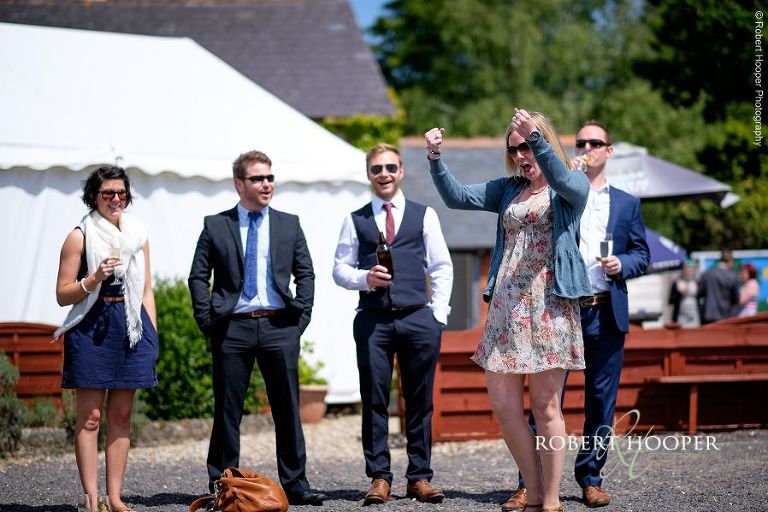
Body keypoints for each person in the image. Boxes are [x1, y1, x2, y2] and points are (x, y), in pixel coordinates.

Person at [425, 109, 591, 512]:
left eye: (527, 146)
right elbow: (457, 197)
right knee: (503, 407)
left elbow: (563, 180)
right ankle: (531, 490)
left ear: (544, 142)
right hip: (505, 310)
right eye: (514, 149)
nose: (520, 156)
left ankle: (551, 499)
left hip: (550, 307)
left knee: (546, 408)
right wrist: (435, 158)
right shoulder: (508, 189)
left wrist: (535, 138)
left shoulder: (571, 183)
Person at [188, 150, 326, 506]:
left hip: (280, 326)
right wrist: (207, 321)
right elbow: (198, 276)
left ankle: (296, 484)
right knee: (227, 411)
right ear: (240, 184)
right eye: (257, 178)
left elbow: (306, 273)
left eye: (269, 177)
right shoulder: (215, 225)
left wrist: (299, 321)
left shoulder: (288, 224)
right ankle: (222, 486)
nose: (266, 184)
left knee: (288, 409)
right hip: (232, 327)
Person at [332, 142, 453, 505]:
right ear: (369, 174)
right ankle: (379, 477)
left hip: (418, 317)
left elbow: (441, 266)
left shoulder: (424, 215)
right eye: (376, 169)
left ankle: (419, 477)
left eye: (389, 168)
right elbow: (339, 269)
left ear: (401, 171)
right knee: (374, 398)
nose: (383, 174)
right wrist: (364, 278)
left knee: (419, 400)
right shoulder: (355, 219)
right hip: (374, 320)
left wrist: (438, 314)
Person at [54, 166, 159, 512]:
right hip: (91, 327)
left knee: (122, 416)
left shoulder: (138, 234)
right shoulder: (79, 236)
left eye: (121, 192)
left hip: (131, 326)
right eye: (108, 193)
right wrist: (94, 278)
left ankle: (114, 497)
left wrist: (152, 334)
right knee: (90, 417)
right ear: (94, 196)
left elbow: (146, 290)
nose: (116, 199)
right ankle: (91, 498)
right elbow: (62, 294)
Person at [697, 251, 740, 324]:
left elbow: (699, 294)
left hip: (707, 316)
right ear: (730, 261)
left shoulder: (707, 274)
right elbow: (736, 299)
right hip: (725, 317)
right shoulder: (732, 276)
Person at [668, 262, 701, 327]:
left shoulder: (696, 283)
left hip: (694, 313)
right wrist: (679, 293)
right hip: (681, 314)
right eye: (687, 271)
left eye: (690, 271)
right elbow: (671, 300)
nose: (688, 273)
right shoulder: (677, 283)